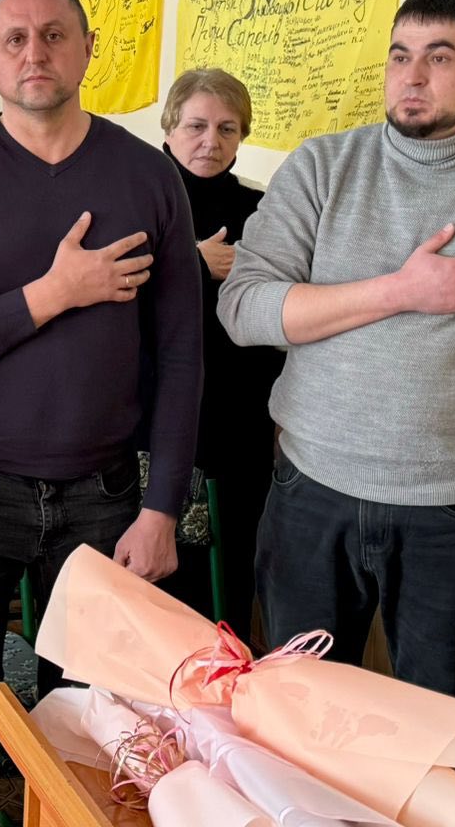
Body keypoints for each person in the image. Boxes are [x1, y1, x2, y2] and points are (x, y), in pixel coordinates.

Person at [219, 0, 455, 704]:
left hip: (454, 519)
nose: (412, 76)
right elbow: (244, 308)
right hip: (310, 495)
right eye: (400, 55)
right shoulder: (322, 167)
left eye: (439, 57)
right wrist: (401, 290)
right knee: (296, 716)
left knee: (441, 732)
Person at [0, 0, 202, 827]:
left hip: (104, 498)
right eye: (15, 39)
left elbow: (181, 354)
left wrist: (163, 507)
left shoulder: (147, 177)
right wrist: (51, 295)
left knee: (94, 727)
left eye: (55, 35)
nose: (36, 53)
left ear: (89, 49)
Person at [155, 68, 283, 642]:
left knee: (228, 585)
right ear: (170, 127)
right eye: (197, 126)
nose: (211, 141)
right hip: (154, 420)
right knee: (158, 585)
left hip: (241, 421)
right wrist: (190, 264)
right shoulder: (140, 197)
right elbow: (105, 298)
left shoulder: (264, 211)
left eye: (227, 129)